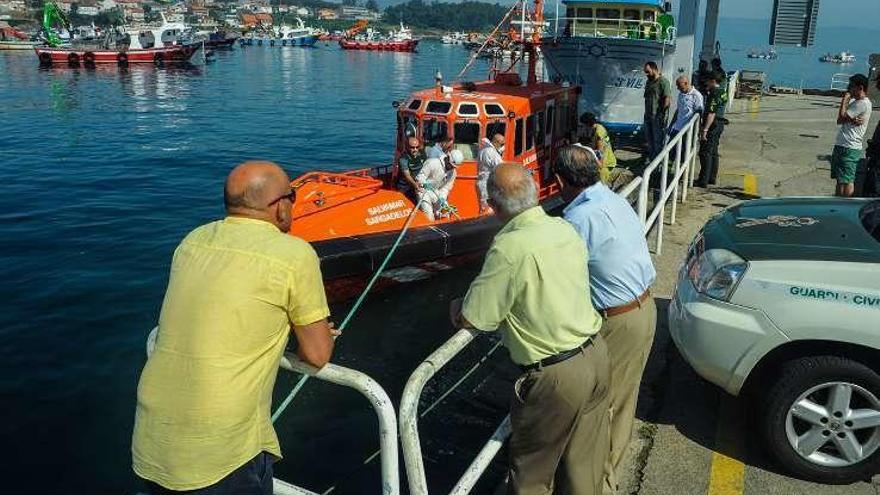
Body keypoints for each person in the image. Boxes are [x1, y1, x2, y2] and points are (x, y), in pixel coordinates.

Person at [132, 161, 336, 495]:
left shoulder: (193, 240)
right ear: (279, 205)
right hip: (220, 449)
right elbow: (317, 354)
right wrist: (313, 331)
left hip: (153, 435)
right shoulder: (294, 254)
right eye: (293, 195)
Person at [450, 162, 610, 495]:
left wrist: (456, 306)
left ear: (493, 206)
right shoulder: (564, 228)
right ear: (535, 192)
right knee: (583, 468)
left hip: (556, 376)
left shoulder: (509, 247)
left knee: (531, 477)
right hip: (596, 353)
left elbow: (475, 317)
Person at [555, 146, 657, 495]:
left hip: (619, 319)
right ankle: (607, 476)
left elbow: (557, 277)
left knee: (600, 410)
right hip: (643, 308)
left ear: (559, 182)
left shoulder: (578, 220)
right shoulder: (612, 200)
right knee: (623, 402)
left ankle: (602, 485)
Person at [831, 73, 872, 197]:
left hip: (850, 146)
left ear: (860, 87)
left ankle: (846, 204)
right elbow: (843, 119)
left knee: (847, 179)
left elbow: (841, 118)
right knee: (840, 178)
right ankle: (838, 202)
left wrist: (844, 99)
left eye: (851, 86)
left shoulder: (862, 103)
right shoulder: (856, 102)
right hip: (843, 144)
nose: (849, 88)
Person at [697, 71, 729, 187]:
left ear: (713, 81)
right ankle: (712, 177)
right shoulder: (723, 92)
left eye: (708, 80)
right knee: (714, 152)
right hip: (720, 124)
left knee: (705, 152)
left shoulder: (714, 93)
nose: (706, 83)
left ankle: (703, 180)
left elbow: (711, 112)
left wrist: (705, 129)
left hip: (713, 125)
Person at [415, 149, 465, 221]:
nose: (451, 168)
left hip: (437, 192)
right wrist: (424, 184)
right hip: (424, 192)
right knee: (429, 216)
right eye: (451, 165)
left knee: (446, 213)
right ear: (447, 158)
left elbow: (446, 188)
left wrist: (442, 198)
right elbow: (420, 177)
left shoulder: (453, 173)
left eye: (453, 167)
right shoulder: (433, 163)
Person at [643, 61, 671, 160]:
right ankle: (651, 160)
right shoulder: (648, 82)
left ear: (654, 69)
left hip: (657, 117)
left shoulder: (663, 82)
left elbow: (667, 99)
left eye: (648, 71)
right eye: (645, 72)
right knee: (649, 141)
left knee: (657, 141)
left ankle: (658, 164)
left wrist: (661, 114)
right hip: (648, 116)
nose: (646, 74)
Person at [579, 112, 617, 183]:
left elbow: (600, 151)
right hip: (605, 161)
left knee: (601, 185)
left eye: (583, 124)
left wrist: (599, 164)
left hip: (605, 163)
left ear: (588, 123)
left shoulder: (599, 132)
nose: (583, 126)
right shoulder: (598, 127)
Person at [477, 133, 505, 213]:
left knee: (483, 208)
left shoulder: (483, 150)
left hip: (481, 183)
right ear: (496, 142)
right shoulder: (492, 153)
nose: (503, 146)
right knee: (488, 210)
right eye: (502, 144)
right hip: (487, 184)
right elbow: (501, 167)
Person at [397, 136, 428, 202]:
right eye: (412, 147)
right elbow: (407, 175)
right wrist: (414, 184)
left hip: (419, 183)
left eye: (417, 147)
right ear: (407, 147)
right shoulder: (403, 159)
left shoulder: (422, 154)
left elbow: (427, 165)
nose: (415, 149)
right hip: (405, 186)